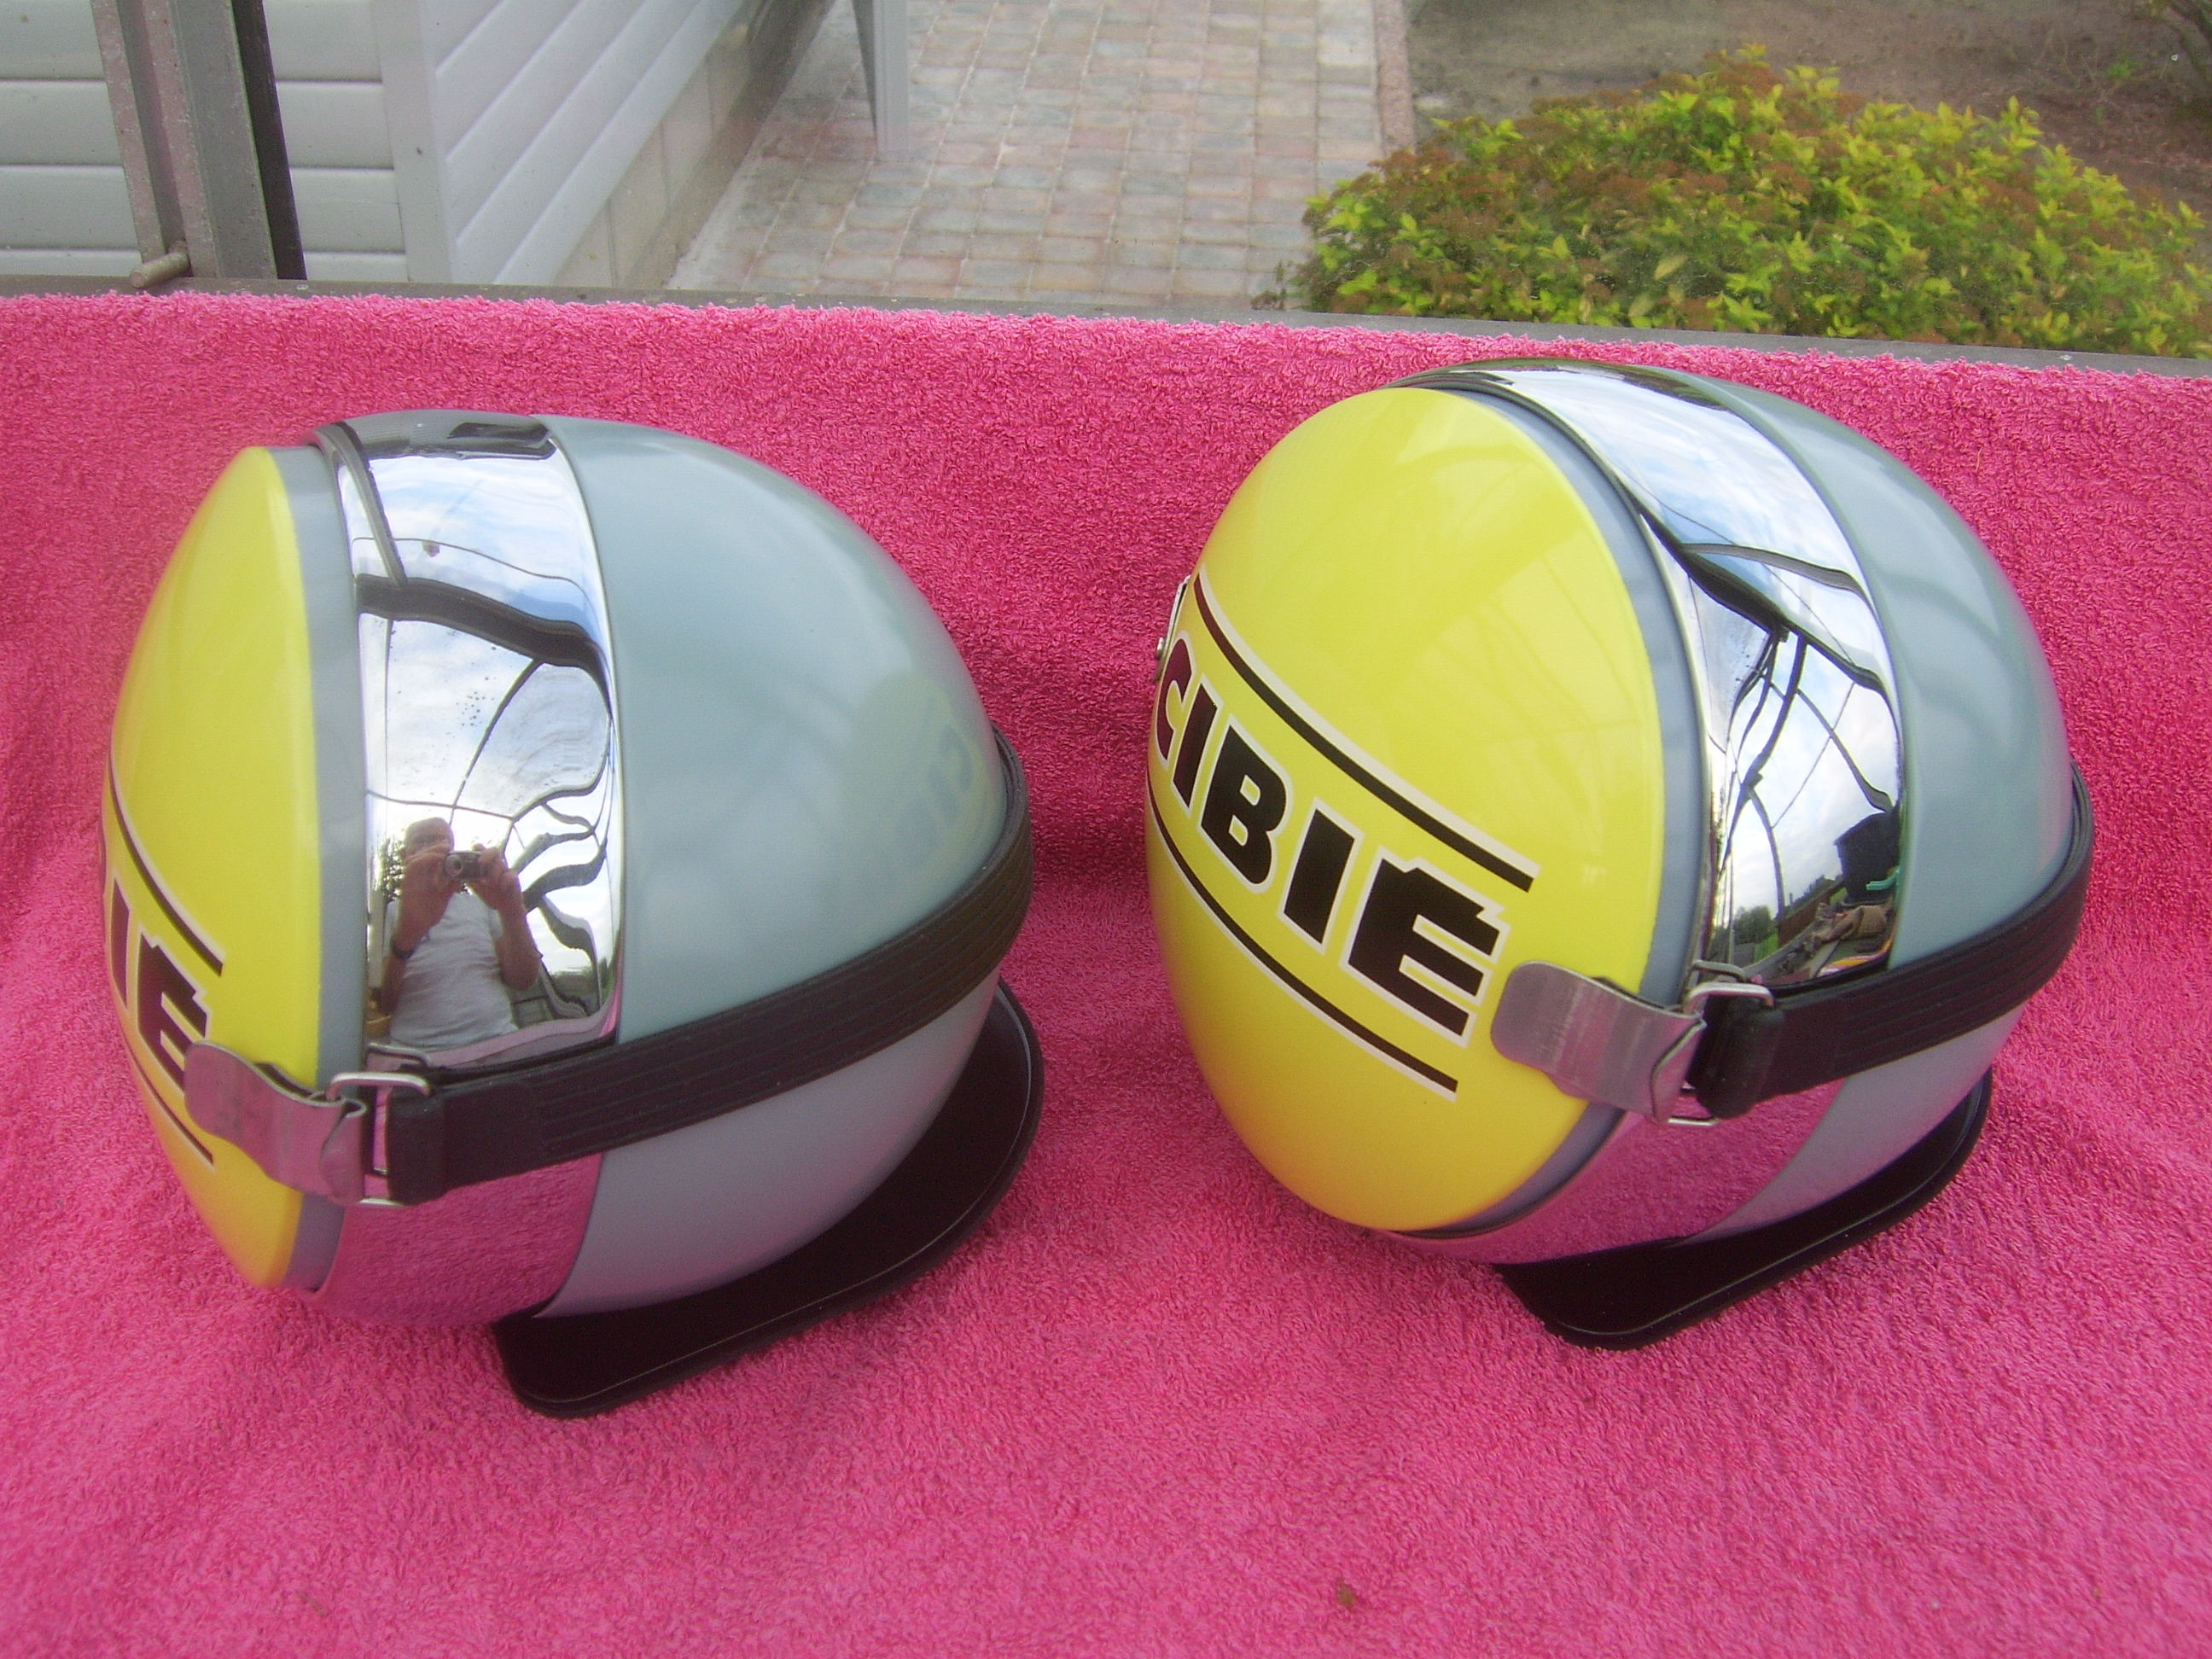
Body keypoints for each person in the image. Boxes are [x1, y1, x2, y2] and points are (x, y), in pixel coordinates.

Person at [378, 817, 541, 1052]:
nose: (435, 848)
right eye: (423, 841)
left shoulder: (482, 902)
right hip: (420, 1054)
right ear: (405, 856)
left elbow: (523, 980)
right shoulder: (394, 910)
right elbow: (384, 1004)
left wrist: (513, 912)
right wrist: (406, 937)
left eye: (443, 841)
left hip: (498, 1043)